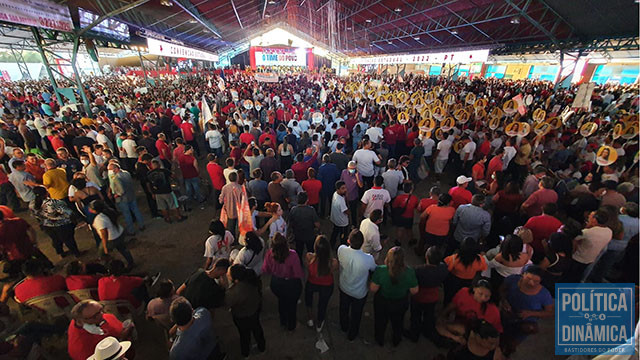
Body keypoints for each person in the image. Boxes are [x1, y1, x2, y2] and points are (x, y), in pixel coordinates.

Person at [499, 265, 554, 357]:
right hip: (507, 314)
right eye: (528, 278)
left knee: (512, 342)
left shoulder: (544, 295)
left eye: (536, 281)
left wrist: (530, 313)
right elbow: (502, 289)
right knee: (500, 334)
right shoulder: (512, 280)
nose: (531, 283)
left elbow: (549, 312)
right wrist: (504, 301)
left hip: (525, 321)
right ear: (523, 274)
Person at [370, 247, 418, 347]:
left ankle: (380, 339)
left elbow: (373, 289)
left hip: (382, 303)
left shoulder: (380, 270)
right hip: (400, 303)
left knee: (380, 322)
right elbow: (414, 291)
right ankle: (396, 340)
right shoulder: (409, 272)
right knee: (398, 323)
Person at [337, 230, 377, 341]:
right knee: (356, 314)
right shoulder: (368, 258)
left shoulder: (341, 250)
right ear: (362, 243)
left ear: (349, 241)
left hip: (344, 287)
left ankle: (344, 326)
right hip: (359, 293)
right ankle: (352, 334)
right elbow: (373, 269)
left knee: (343, 308)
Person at [437, 279, 502, 344]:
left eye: (487, 296)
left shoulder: (493, 311)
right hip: (462, 327)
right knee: (440, 325)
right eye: (480, 293)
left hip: (478, 336)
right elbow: (452, 305)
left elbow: (497, 331)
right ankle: (456, 339)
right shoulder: (464, 292)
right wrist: (442, 315)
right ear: (474, 289)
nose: (483, 298)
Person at [261, 232, 304, 331]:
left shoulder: (269, 254)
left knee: (282, 302)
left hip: (276, 283)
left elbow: (265, 270)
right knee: (292, 306)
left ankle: (283, 322)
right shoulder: (292, 255)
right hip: (291, 284)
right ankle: (291, 325)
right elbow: (298, 273)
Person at [67, 300, 134, 360]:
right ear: (80, 321)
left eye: (101, 309)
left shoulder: (99, 319)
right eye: (95, 316)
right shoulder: (82, 348)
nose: (102, 315)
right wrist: (122, 337)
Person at [590, 202, 639, 282]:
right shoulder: (638, 223)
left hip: (609, 242)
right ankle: (598, 278)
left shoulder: (619, 218)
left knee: (595, 260)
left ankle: (590, 275)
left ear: (625, 210)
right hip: (622, 246)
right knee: (607, 264)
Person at [408, 246, 448, 342]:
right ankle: (427, 332)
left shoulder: (418, 270)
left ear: (427, 257)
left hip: (418, 296)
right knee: (429, 315)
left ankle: (414, 334)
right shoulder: (443, 268)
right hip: (433, 297)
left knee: (415, 316)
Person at [225, 264, 266, 358]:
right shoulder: (251, 280)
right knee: (257, 328)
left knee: (244, 335)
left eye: (228, 273)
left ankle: (245, 353)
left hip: (242, 316)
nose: (227, 274)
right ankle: (262, 347)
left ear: (236, 279)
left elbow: (227, 303)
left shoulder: (235, 292)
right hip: (254, 310)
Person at [29, 185, 81, 258]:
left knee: (55, 240)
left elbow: (36, 216)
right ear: (46, 193)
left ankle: (61, 252)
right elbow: (68, 213)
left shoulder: (32, 205)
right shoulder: (53, 203)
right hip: (62, 225)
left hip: (47, 225)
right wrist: (74, 220)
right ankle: (76, 253)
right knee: (68, 239)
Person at [567, 209, 613, 282]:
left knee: (569, 276)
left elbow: (574, 241)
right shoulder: (609, 231)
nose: (588, 217)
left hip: (577, 258)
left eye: (590, 216)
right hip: (590, 259)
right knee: (577, 277)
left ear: (595, 220)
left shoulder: (587, 232)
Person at [304, 235, 338, 332]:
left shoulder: (309, 257)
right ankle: (319, 323)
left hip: (312, 282)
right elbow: (334, 270)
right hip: (327, 285)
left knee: (308, 299)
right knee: (322, 305)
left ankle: (310, 318)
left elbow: (308, 267)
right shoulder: (333, 262)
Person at [89, 200, 135, 269]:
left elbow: (104, 233)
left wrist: (105, 247)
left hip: (112, 238)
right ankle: (131, 263)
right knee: (123, 249)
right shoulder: (109, 211)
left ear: (95, 210)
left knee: (102, 254)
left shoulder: (99, 219)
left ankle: (110, 267)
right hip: (119, 232)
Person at [443, 237, 487, 303]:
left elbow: (446, 269)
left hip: (453, 282)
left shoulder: (453, 259)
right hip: (469, 283)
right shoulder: (480, 260)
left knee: (449, 298)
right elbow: (483, 268)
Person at [108, 162, 145, 236]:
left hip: (123, 199)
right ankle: (142, 225)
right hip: (131, 195)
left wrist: (117, 195)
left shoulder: (116, 177)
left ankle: (131, 230)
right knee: (136, 210)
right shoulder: (126, 173)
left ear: (115, 169)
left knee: (127, 214)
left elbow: (121, 190)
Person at [147, 159, 186, 223]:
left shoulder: (149, 174)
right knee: (173, 204)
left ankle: (167, 218)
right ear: (159, 165)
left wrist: (152, 193)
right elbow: (173, 176)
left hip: (157, 193)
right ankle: (178, 217)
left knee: (162, 207)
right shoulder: (164, 171)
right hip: (167, 191)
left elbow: (148, 184)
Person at [288, 192, 320, 260]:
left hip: (298, 234)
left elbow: (290, 222)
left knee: (299, 250)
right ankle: (311, 262)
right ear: (307, 200)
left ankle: (299, 263)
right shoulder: (311, 210)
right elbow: (316, 223)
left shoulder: (293, 210)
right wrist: (319, 229)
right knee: (310, 250)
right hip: (310, 234)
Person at [219, 171, 244, 238]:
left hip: (229, 211)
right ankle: (240, 238)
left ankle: (232, 240)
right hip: (239, 211)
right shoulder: (241, 188)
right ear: (237, 178)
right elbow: (244, 201)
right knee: (240, 226)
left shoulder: (225, 187)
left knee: (231, 227)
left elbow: (221, 199)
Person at [340, 161, 363, 225]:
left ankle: (354, 224)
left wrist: (357, 177)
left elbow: (361, 185)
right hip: (345, 197)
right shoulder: (344, 172)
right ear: (347, 168)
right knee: (344, 211)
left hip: (353, 197)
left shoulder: (358, 174)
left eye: (353, 169)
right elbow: (341, 182)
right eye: (351, 168)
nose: (352, 170)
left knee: (353, 212)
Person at [330, 180, 350, 248]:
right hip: (342, 222)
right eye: (343, 188)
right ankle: (343, 246)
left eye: (345, 187)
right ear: (338, 189)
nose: (345, 190)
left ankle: (332, 244)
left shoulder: (335, 194)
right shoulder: (340, 200)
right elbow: (346, 211)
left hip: (336, 219)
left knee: (335, 232)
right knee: (343, 235)